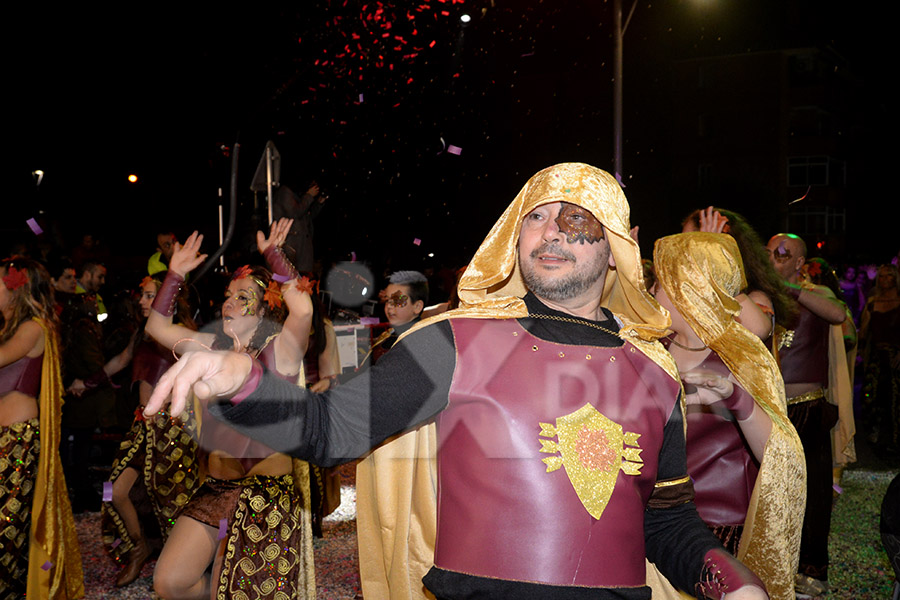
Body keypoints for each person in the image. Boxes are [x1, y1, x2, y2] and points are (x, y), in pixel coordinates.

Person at [146, 163, 768, 600]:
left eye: (577, 218)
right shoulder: (452, 342)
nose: (552, 229)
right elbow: (327, 428)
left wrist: (730, 581)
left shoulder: (654, 373)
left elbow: (667, 523)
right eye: (537, 217)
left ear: (615, 246)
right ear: (513, 237)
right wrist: (243, 381)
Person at [145, 224, 315, 600]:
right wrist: (174, 275)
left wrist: (274, 254)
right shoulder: (210, 346)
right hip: (217, 487)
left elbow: (302, 308)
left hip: (265, 494)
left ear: (267, 304)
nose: (229, 302)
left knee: (240, 588)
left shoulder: (280, 349)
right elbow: (157, 327)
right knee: (170, 583)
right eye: (227, 295)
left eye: (243, 296)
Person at [652, 233, 806, 600]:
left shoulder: (741, 355)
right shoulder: (649, 349)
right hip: (656, 528)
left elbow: (780, 454)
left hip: (718, 531)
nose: (650, 289)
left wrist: (739, 400)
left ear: (686, 289)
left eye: (660, 282)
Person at [765, 233, 853, 597]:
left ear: (800, 263)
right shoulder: (759, 297)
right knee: (771, 493)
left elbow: (838, 315)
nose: (774, 260)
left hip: (809, 409)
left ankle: (811, 573)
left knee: (814, 496)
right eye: (769, 255)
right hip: (770, 409)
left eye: (783, 256)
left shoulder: (819, 296)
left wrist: (792, 290)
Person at [100, 275, 202, 588]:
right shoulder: (140, 335)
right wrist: (84, 382)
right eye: (142, 296)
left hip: (172, 432)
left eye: (149, 296)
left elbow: (200, 379)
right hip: (141, 430)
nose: (142, 302)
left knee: (175, 501)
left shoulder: (185, 335)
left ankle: (184, 563)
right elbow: (121, 361)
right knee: (113, 491)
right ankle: (137, 548)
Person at [0, 257, 84, 599]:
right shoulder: (9, 327)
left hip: (17, 441)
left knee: (8, 526)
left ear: (14, 288)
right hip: (5, 439)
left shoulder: (33, 327)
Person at [859, 264, 900, 453]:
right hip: (876, 357)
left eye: (888, 276)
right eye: (881, 276)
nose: (884, 280)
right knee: (871, 397)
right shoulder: (872, 302)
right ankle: (875, 436)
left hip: (895, 356)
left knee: (895, 398)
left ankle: (894, 439)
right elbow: (864, 333)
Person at [273, 181, 326, 272]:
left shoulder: (298, 195)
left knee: (303, 278)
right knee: (289, 276)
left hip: (302, 247)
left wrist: (318, 203)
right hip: (291, 245)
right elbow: (295, 212)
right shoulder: (285, 191)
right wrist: (309, 196)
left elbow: (307, 217)